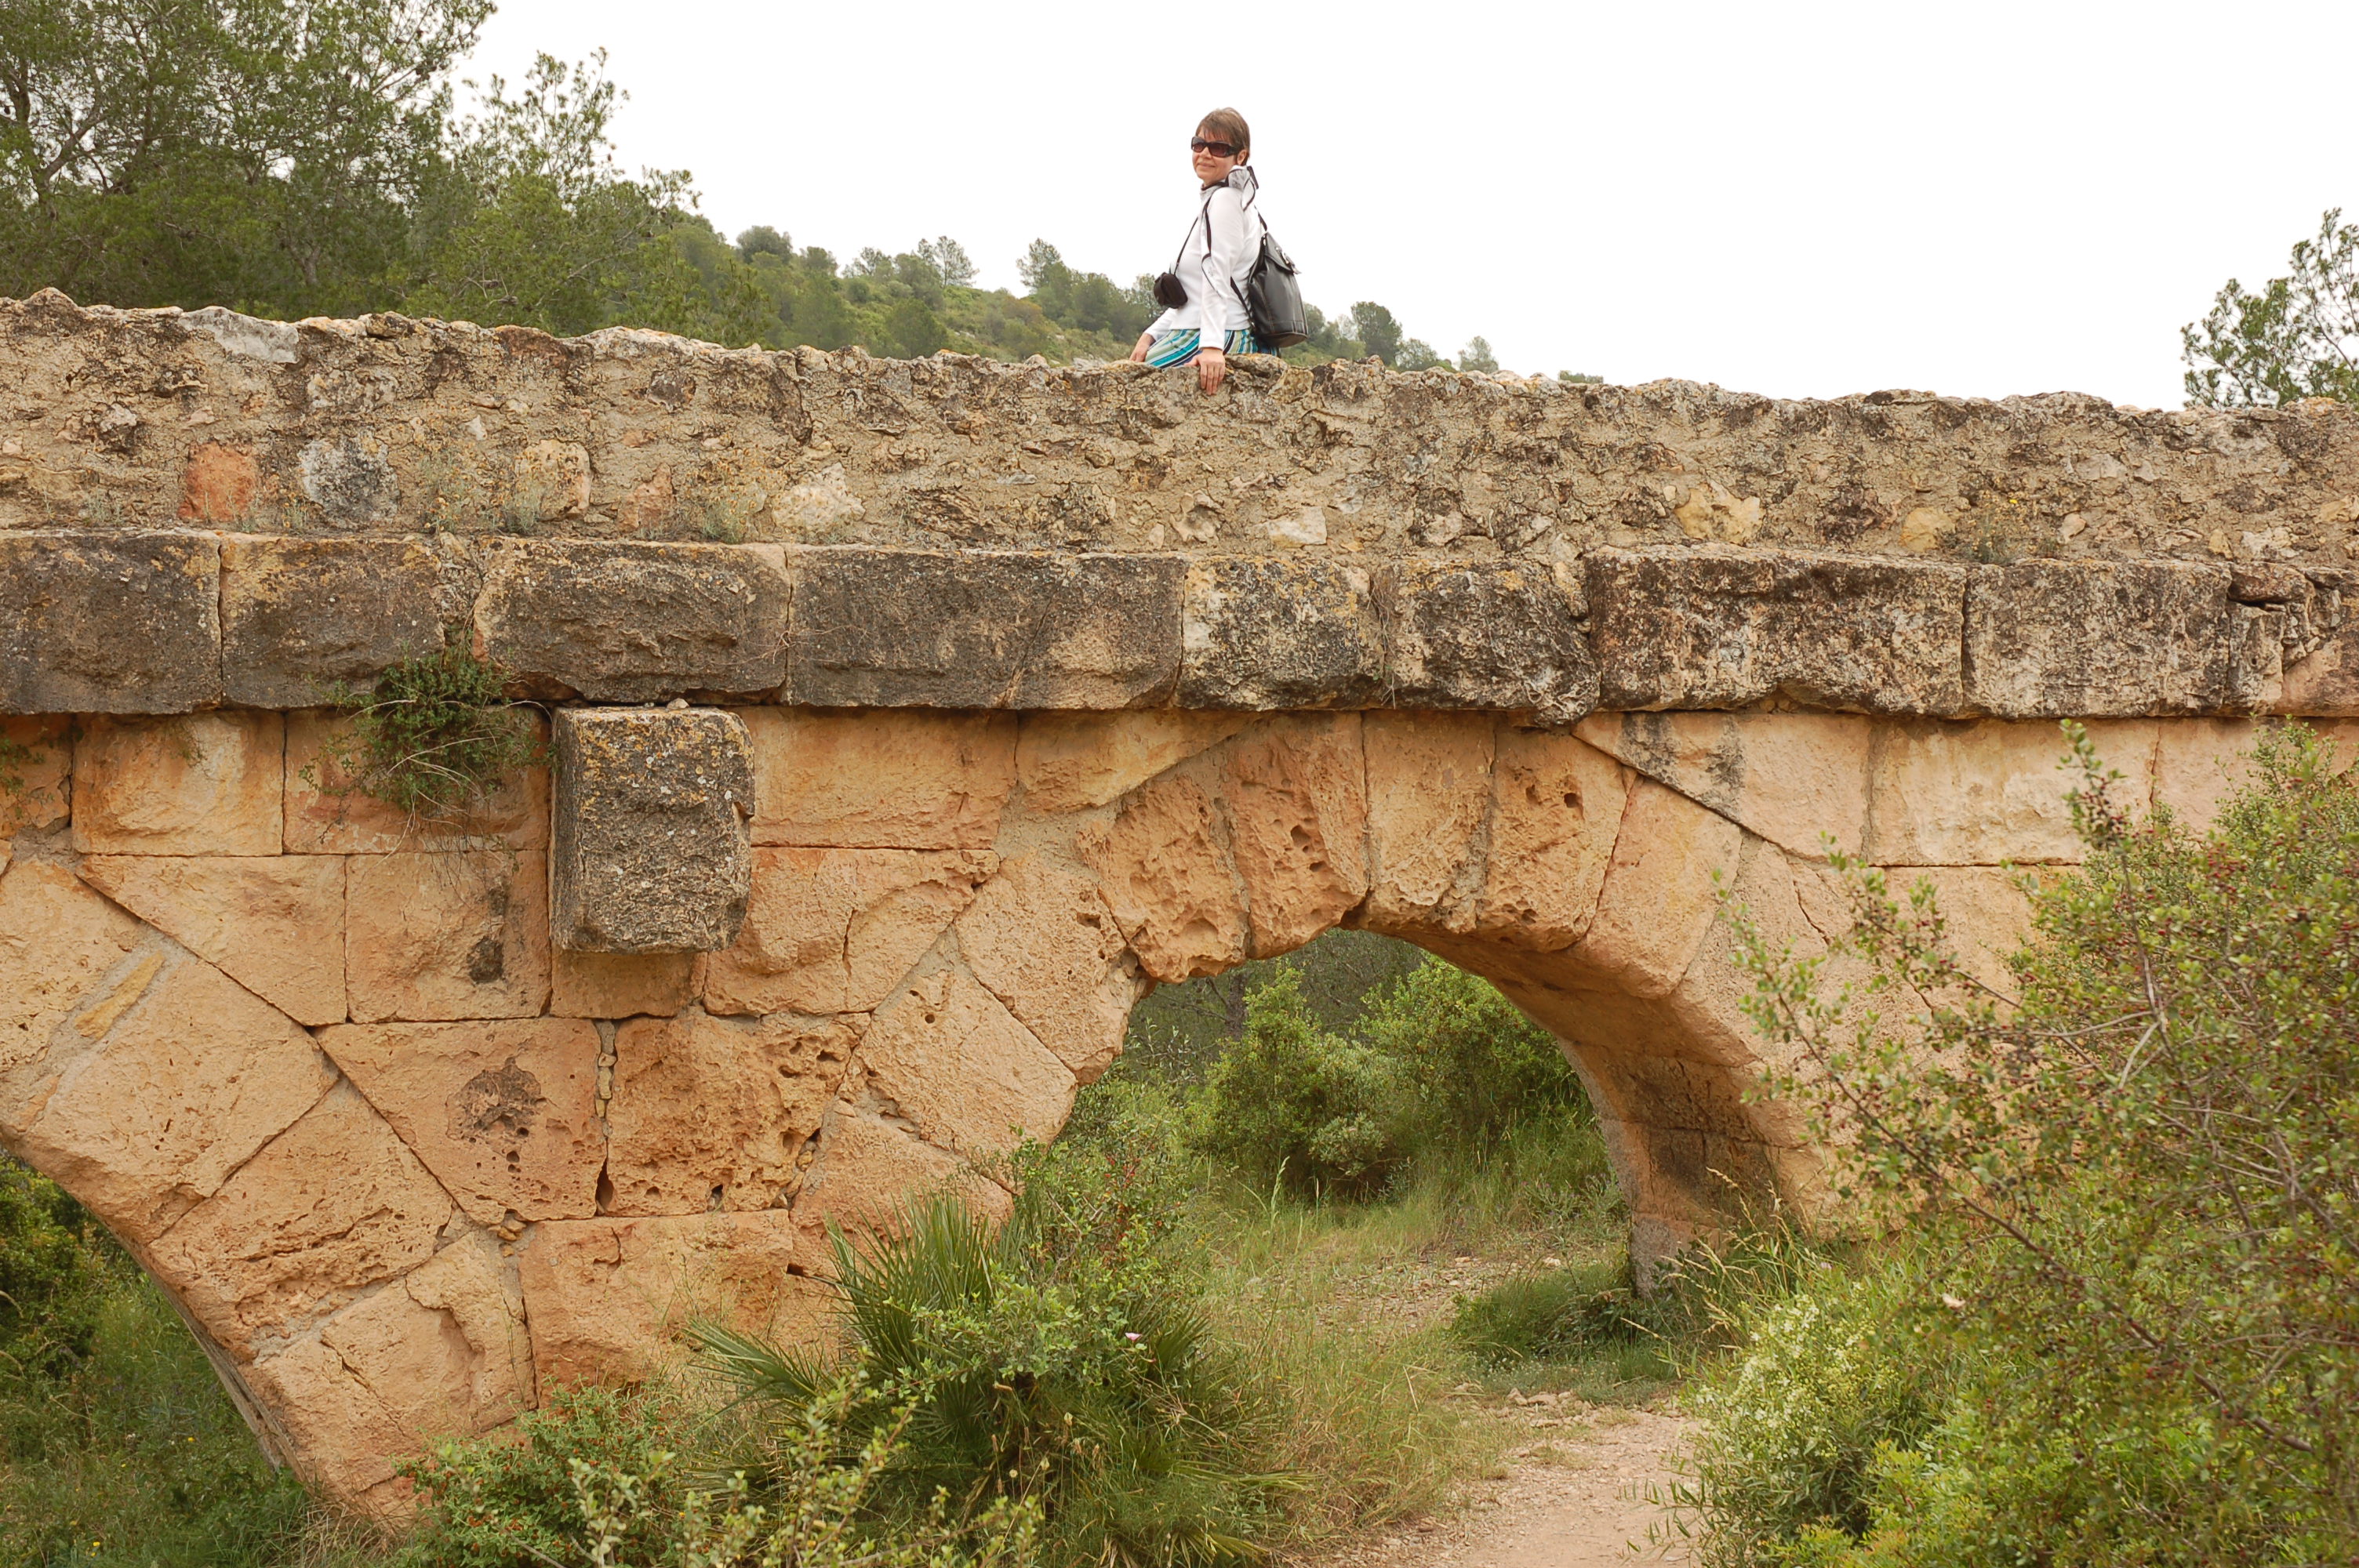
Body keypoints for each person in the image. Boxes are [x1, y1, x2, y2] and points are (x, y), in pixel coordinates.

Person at [1131, 108, 1265, 395]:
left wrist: (1213, 348)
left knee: (1129, 388)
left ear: (1240, 157)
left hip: (1219, 331)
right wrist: (1151, 335)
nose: (1204, 154)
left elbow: (1217, 275)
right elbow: (1194, 295)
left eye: (1218, 148)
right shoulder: (1222, 198)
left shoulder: (1226, 200)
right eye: (1199, 144)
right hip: (1199, 328)